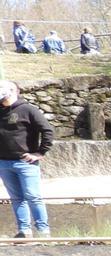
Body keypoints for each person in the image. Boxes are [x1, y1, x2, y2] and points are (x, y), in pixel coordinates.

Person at [0, 81, 53, 238]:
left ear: (13, 91)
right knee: (16, 198)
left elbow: (48, 131)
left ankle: (43, 231)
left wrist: (39, 153)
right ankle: (24, 231)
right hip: (4, 162)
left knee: (33, 196)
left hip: (25, 163)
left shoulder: (27, 109)